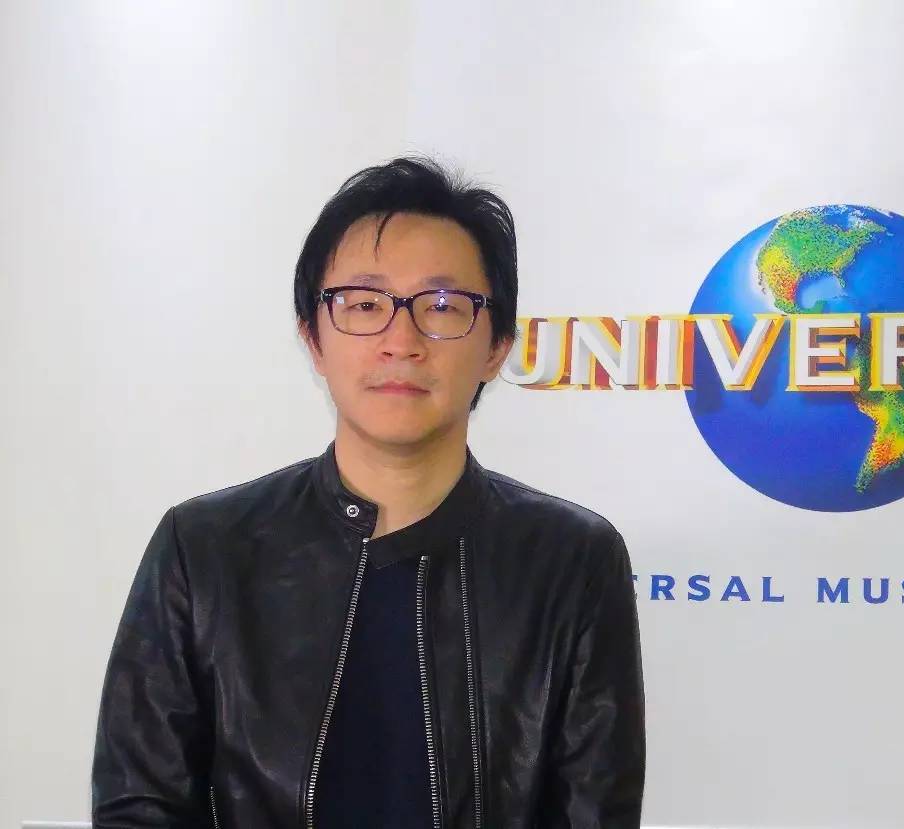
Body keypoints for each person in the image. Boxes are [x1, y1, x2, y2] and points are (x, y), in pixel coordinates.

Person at [91, 157, 646, 827]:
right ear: (313, 338)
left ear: (498, 346)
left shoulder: (572, 562)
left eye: (442, 306)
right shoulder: (204, 550)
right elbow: (141, 806)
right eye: (364, 304)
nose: (400, 340)